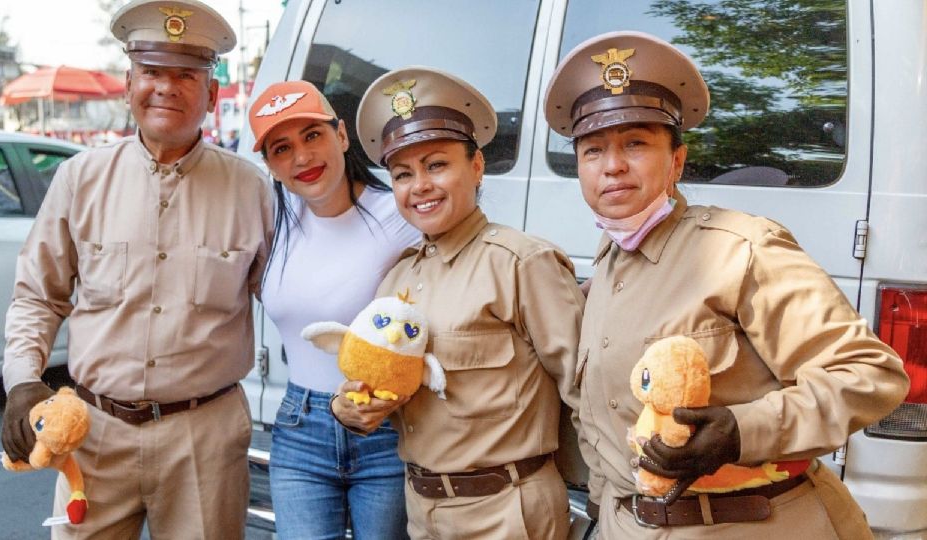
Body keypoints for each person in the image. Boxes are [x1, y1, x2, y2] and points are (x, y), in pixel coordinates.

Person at [543, 31, 910, 538]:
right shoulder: (608, 266)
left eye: (635, 144)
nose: (612, 166)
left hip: (745, 522)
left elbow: (869, 374)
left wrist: (742, 431)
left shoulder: (741, 248)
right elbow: (602, 430)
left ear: (676, 161)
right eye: (592, 150)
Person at [0, 1, 273, 538]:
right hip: (93, 436)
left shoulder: (253, 190)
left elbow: (288, 296)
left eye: (185, 75)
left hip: (205, 439)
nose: (166, 88)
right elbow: (39, 294)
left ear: (213, 95)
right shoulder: (80, 179)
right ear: (129, 86)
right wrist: (22, 382)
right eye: (152, 72)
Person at [330, 66, 597, 540]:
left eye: (437, 165)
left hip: (507, 513)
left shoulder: (520, 262)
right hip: (423, 511)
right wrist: (349, 408)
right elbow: (383, 386)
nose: (420, 186)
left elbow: (586, 389)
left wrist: (609, 499)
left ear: (475, 168)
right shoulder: (397, 277)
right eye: (403, 174)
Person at [246, 80, 418, 540]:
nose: (302, 158)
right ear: (269, 164)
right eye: (282, 148)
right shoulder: (272, 221)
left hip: (385, 427)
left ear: (341, 136)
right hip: (300, 428)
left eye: (313, 136)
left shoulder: (401, 214)